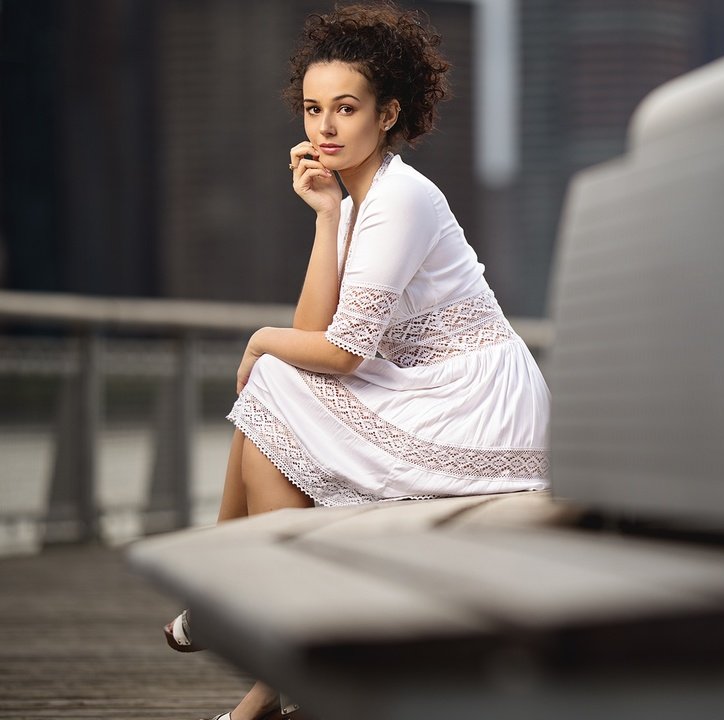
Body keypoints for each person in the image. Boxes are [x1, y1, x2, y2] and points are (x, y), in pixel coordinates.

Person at [163, 4, 550, 718]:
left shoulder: (400, 198)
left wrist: (257, 339)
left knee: (273, 378)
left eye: (346, 108)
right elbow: (319, 333)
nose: (325, 128)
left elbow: (337, 354)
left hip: (475, 405)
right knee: (275, 389)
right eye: (313, 110)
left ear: (387, 113)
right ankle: (241, 628)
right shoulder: (363, 203)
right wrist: (326, 216)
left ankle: (228, 607)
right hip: (432, 391)